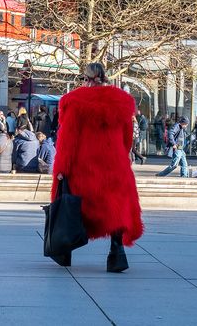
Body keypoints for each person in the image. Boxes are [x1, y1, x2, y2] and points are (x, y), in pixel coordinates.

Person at [52, 62, 143, 272]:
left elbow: (67, 141)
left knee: (74, 206)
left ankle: (64, 250)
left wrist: (62, 169)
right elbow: (127, 140)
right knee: (115, 207)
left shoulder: (74, 101)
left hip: (85, 166)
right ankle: (117, 252)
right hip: (115, 165)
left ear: (86, 78)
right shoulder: (121, 101)